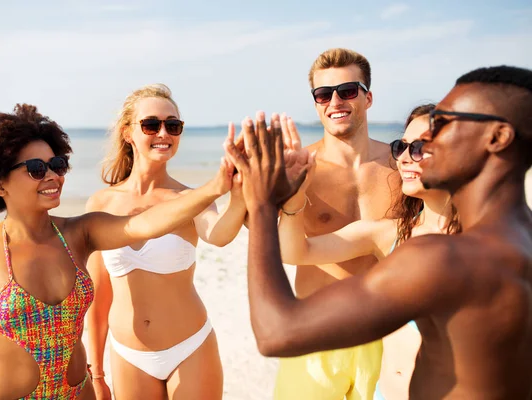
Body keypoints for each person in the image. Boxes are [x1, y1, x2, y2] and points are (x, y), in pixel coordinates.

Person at [225, 65, 532, 398]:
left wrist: (261, 203)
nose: (426, 139)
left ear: (497, 137)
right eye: (406, 144)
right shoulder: (519, 240)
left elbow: (275, 333)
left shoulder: (443, 257)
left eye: (442, 124)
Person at [0, 104, 235, 399]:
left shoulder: (80, 234)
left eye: (56, 165)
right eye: (36, 169)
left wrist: (215, 187)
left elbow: (145, 223)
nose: (53, 176)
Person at [277, 104, 460, 400]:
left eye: (419, 147)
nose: (402, 158)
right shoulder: (389, 233)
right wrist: (294, 195)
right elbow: (293, 250)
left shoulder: (486, 242)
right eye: (401, 147)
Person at [85, 84, 246, 400]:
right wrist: (96, 371)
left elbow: (219, 235)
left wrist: (237, 193)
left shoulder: (189, 198)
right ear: (128, 132)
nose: (164, 133)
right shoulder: (101, 203)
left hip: (189, 348)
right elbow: (98, 293)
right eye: (151, 124)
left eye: (173, 126)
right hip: (127, 356)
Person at [273, 48, 401, 400]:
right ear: (316, 103)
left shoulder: (403, 165)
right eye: (323, 94)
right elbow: (266, 241)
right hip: (318, 333)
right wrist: (278, 191)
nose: (335, 101)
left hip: (390, 333)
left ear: (367, 97)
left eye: (347, 91)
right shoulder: (299, 168)